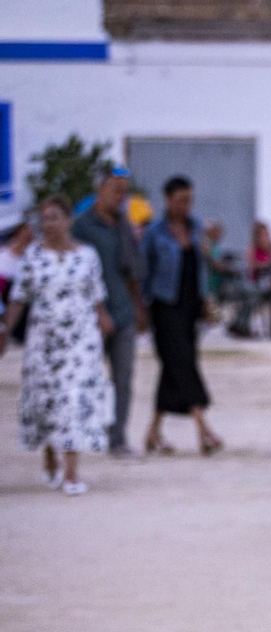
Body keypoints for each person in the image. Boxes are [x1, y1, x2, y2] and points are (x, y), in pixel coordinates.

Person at [0, 196, 114, 495]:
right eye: (44, 218)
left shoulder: (87, 255)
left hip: (80, 341)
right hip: (44, 341)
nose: (49, 223)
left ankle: (72, 472)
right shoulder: (33, 257)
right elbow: (18, 298)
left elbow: (96, 292)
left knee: (74, 399)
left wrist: (103, 317)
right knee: (49, 401)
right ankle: (51, 452)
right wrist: (5, 331)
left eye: (54, 217)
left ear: (68, 220)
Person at [141, 175, 223, 455]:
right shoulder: (155, 232)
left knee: (173, 367)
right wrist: (141, 307)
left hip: (191, 305)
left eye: (189, 200)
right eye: (180, 200)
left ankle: (153, 431)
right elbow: (144, 271)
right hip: (164, 306)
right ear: (168, 200)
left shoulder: (197, 227)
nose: (186, 205)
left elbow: (206, 262)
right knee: (183, 361)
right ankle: (203, 427)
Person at [72, 167, 146, 456]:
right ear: (99, 190)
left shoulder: (124, 225)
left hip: (124, 311)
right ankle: (82, 433)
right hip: (89, 317)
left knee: (124, 378)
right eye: (116, 190)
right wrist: (97, 311)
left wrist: (139, 309)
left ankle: (118, 438)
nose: (121, 196)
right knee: (86, 377)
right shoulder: (81, 227)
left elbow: (132, 272)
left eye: (124, 190)